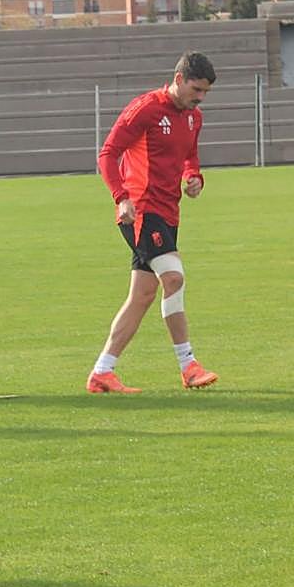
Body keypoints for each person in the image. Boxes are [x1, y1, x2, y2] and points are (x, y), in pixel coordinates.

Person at [87, 50, 219, 394]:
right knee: (173, 278)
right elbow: (108, 153)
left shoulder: (194, 118)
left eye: (205, 92)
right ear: (179, 80)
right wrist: (121, 197)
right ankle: (188, 365)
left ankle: (103, 372)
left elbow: (189, 155)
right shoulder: (146, 108)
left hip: (169, 212)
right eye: (196, 90)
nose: (200, 98)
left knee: (143, 295)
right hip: (141, 211)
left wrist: (194, 178)